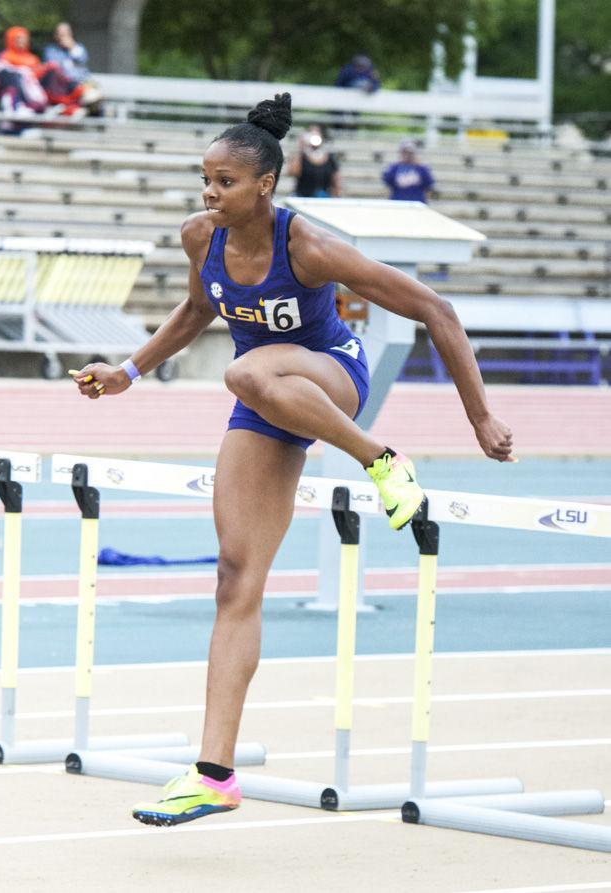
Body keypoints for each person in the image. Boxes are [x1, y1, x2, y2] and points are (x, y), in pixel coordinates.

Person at [71, 93, 514, 827]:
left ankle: (381, 459)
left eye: (225, 182)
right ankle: (213, 773)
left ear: (265, 186)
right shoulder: (199, 237)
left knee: (243, 373)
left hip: (330, 375)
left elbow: (435, 308)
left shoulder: (305, 244)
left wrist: (481, 416)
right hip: (270, 393)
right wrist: (129, 369)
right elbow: (196, 310)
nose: (209, 192)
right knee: (235, 575)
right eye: (205, 179)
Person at [0, 26, 92, 123]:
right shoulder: (3, 58)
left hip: (38, 90)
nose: (22, 42)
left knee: (53, 71)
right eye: (18, 39)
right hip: (17, 92)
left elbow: (81, 59)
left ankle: (77, 96)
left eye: (24, 39)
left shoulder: (32, 59)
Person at [287, 124, 341, 197]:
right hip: (302, 196)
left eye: (317, 133)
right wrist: (301, 147)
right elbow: (292, 173)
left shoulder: (330, 157)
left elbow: (336, 181)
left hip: (324, 197)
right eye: (311, 133)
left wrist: (337, 196)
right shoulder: (301, 156)